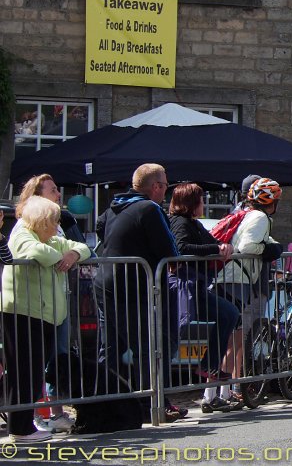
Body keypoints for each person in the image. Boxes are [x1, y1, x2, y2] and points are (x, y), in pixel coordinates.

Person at [93, 163, 186, 422]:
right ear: (155, 187)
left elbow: (101, 228)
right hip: (132, 284)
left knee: (109, 347)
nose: (167, 190)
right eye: (166, 185)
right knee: (146, 345)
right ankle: (151, 404)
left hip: (105, 282)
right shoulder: (149, 208)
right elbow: (170, 251)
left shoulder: (113, 208)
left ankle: (105, 404)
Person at [2, 196, 91, 442]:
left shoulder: (50, 238)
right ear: (42, 221)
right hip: (23, 312)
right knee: (23, 372)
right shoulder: (23, 234)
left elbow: (83, 248)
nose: (56, 226)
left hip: (45, 314)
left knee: (32, 372)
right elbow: (35, 252)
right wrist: (60, 257)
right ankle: (20, 429)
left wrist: (72, 254)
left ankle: (22, 426)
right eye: (53, 221)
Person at [166, 183, 242, 412]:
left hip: (196, 286)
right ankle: (161, 392)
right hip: (183, 286)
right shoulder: (179, 222)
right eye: (200, 199)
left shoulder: (193, 223)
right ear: (191, 202)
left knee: (229, 313)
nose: (203, 203)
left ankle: (209, 366)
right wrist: (215, 249)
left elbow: (211, 240)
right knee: (175, 334)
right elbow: (181, 247)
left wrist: (222, 246)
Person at [217, 177, 284, 404]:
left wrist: (271, 244)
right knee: (234, 339)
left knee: (230, 339)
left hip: (232, 278)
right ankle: (224, 392)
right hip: (238, 280)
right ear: (271, 201)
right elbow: (247, 247)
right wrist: (269, 249)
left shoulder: (249, 214)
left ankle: (221, 393)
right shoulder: (260, 217)